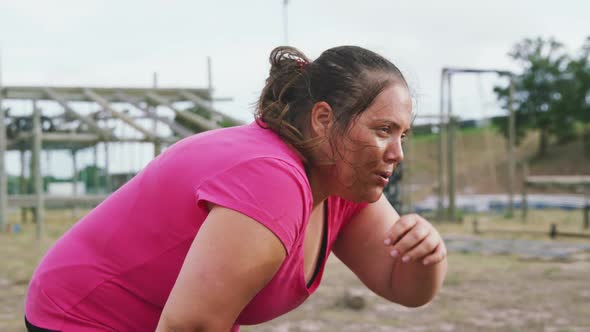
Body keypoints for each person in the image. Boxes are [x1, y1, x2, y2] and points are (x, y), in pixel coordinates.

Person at [25, 45, 448, 332]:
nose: (397, 153)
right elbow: (189, 328)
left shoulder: (341, 180)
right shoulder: (271, 180)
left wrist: (428, 255)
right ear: (323, 120)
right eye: (382, 130)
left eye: (403, 135)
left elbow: (400, 284)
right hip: (83, 316)